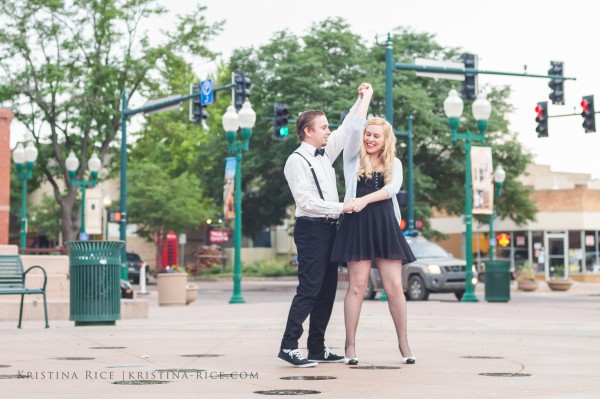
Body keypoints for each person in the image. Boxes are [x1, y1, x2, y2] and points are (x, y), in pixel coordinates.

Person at [278, 83, 373, 367]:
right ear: (308, 131)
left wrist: (363, 99)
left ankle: (316, 347)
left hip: (330, 228)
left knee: (328, 289)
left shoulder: (325, 153)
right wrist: (342, 206)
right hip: (311, 228)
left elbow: (347, 129)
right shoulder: (296, 161)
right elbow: (306, 201)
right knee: (309, 287)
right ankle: (288, 345)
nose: (327, 131)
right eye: (322, 127)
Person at [330, 116, 417, 366]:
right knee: (357, 287)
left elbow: (392, 190)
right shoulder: (352, 158)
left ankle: (403, 343)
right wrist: (364, 98)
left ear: (385, 140)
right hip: (356, 226)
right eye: (368, 134)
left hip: (384, 226)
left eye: (376, 135)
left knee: (394, 288)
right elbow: (354, 128)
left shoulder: (394, 163)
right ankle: (350, 345)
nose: (370, 139)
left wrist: (365, 200)